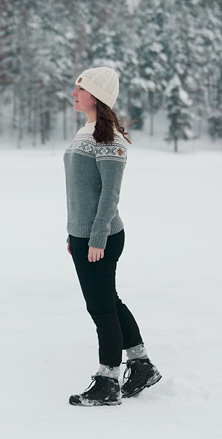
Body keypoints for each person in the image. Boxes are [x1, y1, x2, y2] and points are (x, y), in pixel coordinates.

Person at [64, 67, 161, 407]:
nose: (73, 94)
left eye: (79, 89)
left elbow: (109, 196)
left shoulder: (109, 139)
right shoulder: (86, 132)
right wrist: (73, 233)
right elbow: (80, 192)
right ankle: (141, 364)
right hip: (84, 236)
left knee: (101, 309)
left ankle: (108, 381)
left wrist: (96, 238)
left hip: (100, 238)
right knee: (109, 303)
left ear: (95, 95)